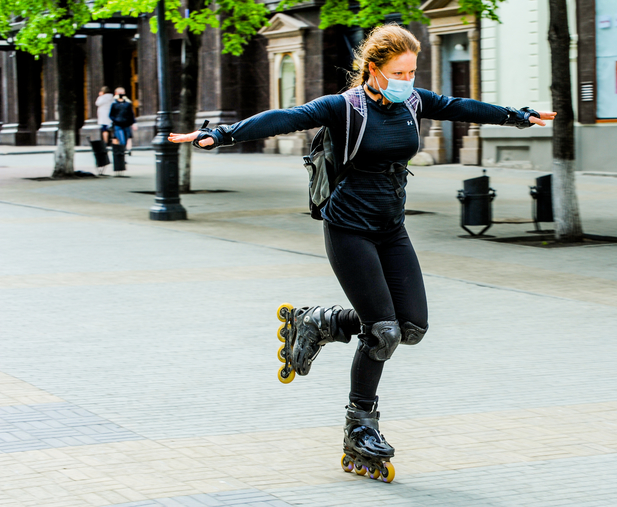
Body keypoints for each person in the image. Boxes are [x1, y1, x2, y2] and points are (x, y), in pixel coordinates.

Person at [169, 24, 555, 483]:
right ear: (373, 69)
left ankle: (321, 322)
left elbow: (458, 106)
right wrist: (224, 134)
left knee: (412, 327)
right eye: (399, 71)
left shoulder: (412, 101)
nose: (409, 80)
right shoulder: (344, 108)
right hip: (348, 228)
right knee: (383, 331)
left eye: (413, 71)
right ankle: (360, 426)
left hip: (391, 228)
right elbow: (288, 116)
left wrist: (517, 115)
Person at [109, 87, 135, 154]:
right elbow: (111, 115)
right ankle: (121, 154)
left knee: (126, 139)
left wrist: (133, 123)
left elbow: (131, 114)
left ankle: (122, 153)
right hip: (118, 125)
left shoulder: (127, 104)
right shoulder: (114, 104)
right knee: (122, 140)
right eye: (120, 93)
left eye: (122, 93)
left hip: (126, 124)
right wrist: (115, 120)